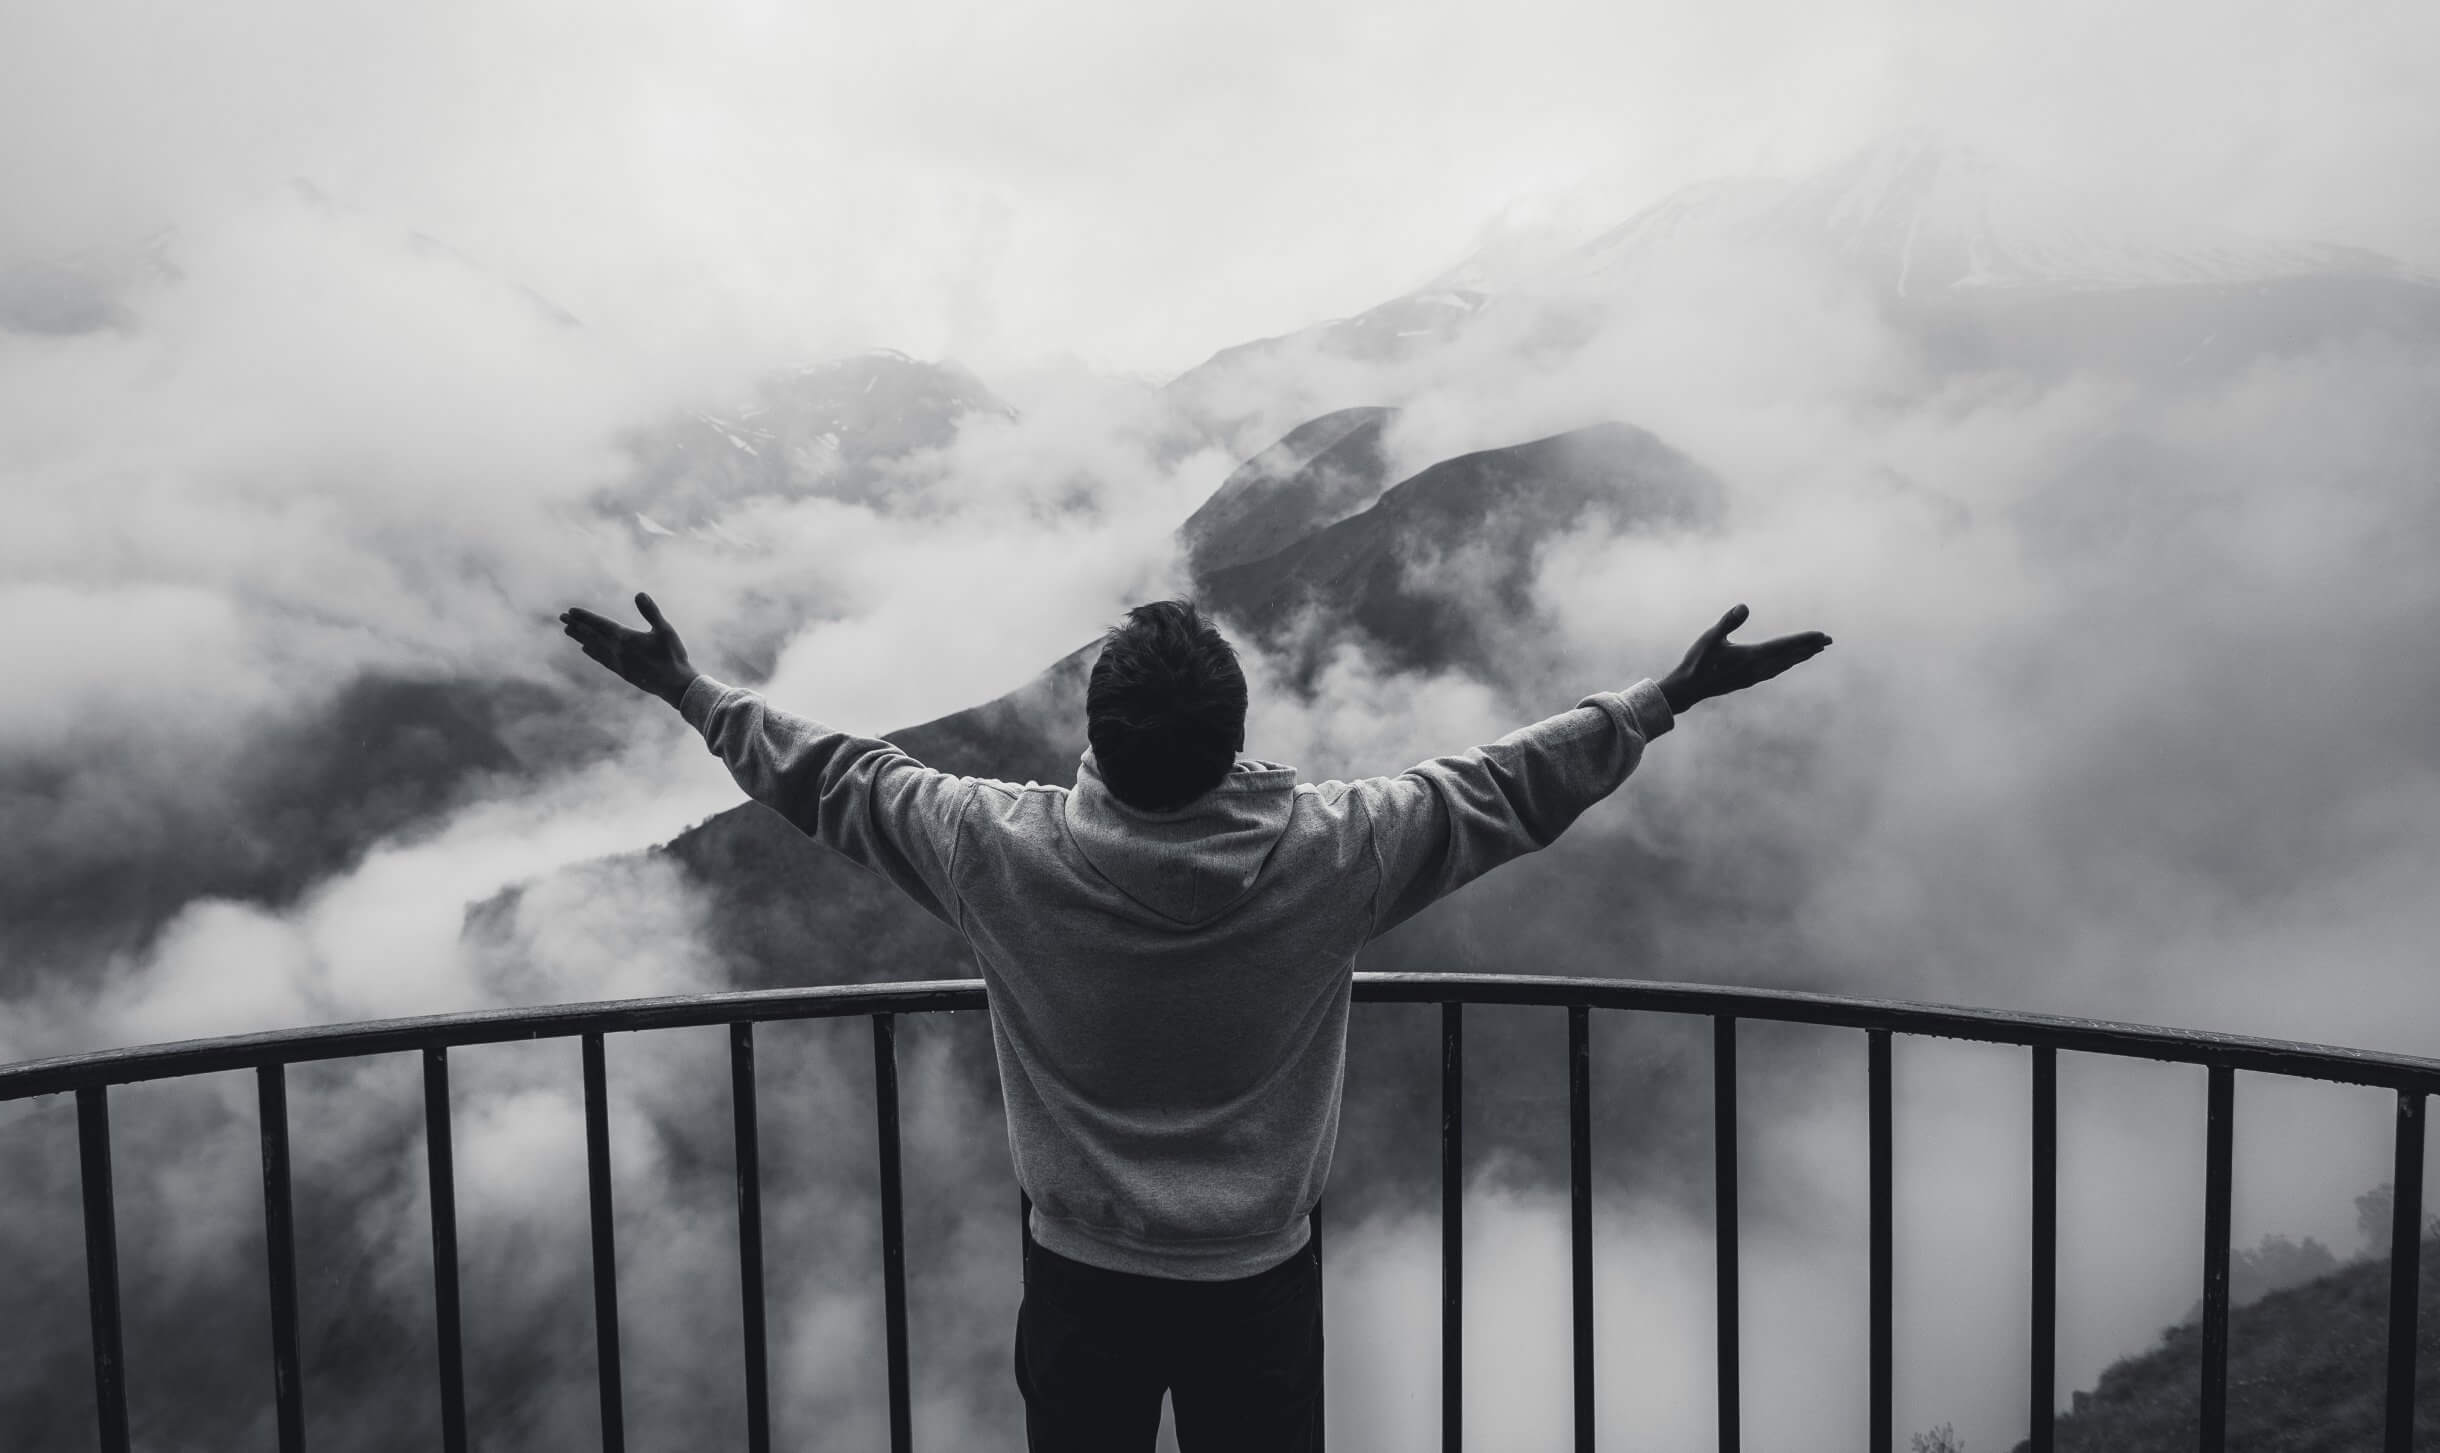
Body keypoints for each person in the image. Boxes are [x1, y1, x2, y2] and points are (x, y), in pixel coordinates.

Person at [557, 591, 1829, 1451]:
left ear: (1096, 741)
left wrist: (688, 688)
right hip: (1257, 1284)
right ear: (1234, 743)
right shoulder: (1337, 852)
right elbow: (1501, 786)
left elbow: (834, 776)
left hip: (1078, 1279)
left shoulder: (992, 849)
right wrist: (1662, 696)